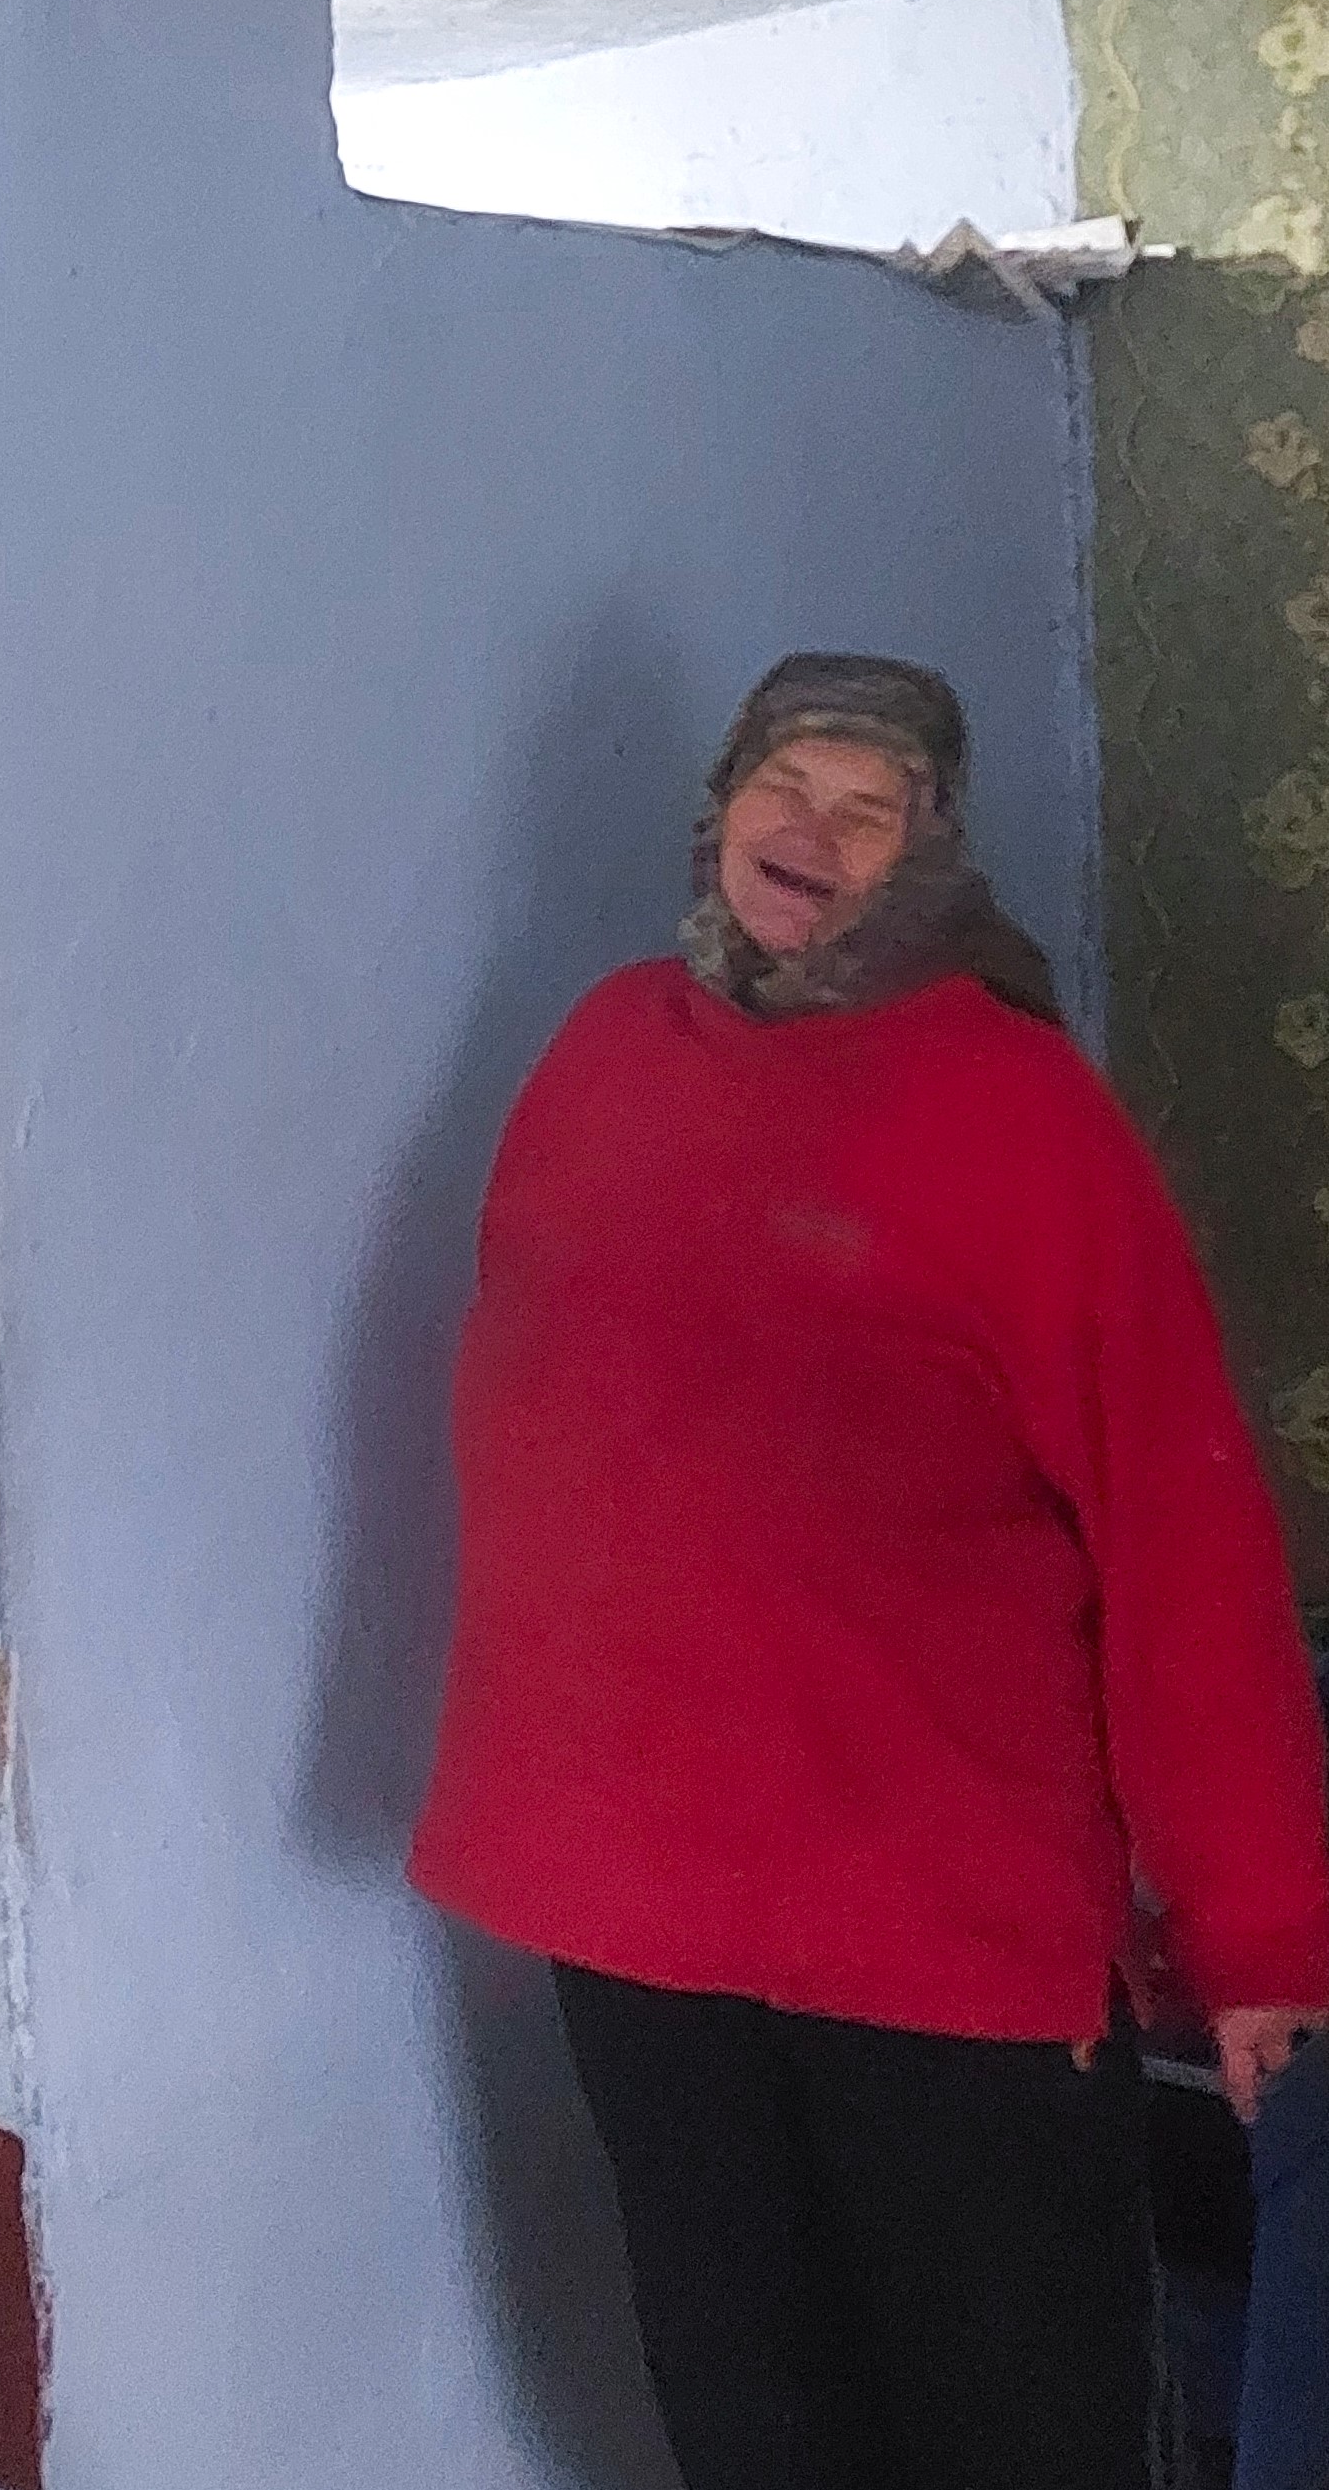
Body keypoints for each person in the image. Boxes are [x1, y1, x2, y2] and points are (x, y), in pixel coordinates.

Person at [410, 652, 1329, 2490]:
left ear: (929, 859)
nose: (810, 831)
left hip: (936, 1920)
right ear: (719, 809)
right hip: (639, 1899)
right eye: (786, 783)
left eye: (867, 807)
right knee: (742, 2403)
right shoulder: (605, 1048)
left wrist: (1258, 1934)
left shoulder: (1016, 1111)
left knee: (1017, 2416)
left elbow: (1181, 1533)